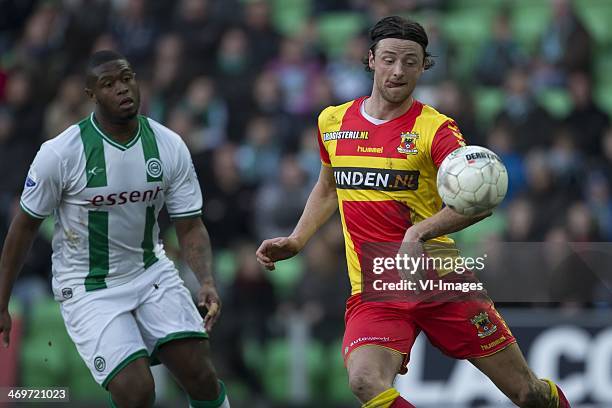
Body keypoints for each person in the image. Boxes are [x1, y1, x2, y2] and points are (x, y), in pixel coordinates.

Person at [256, 16, 570, 408]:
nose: (398, 70)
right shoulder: (332, 122)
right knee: (365, 381)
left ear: (424, 66)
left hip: (440, 282)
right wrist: (298, 239)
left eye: (410, 61)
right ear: (370, 59)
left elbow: (480, 200)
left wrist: (416, 233)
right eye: (389, 59)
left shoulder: (436, 129)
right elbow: (327, 186)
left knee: (529, 394)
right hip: (377, 290)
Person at [0, 50, 230, 408]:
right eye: (108, 84)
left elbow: (190, 225)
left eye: (127, 78)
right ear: (91, 95)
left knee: (200, 374)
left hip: (150, 270)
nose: (122, 89)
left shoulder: (168, 145)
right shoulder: (60, 154)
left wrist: (206, 280)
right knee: (137, 391)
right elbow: (24, 228)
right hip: (88, 285)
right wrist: (2, 301)